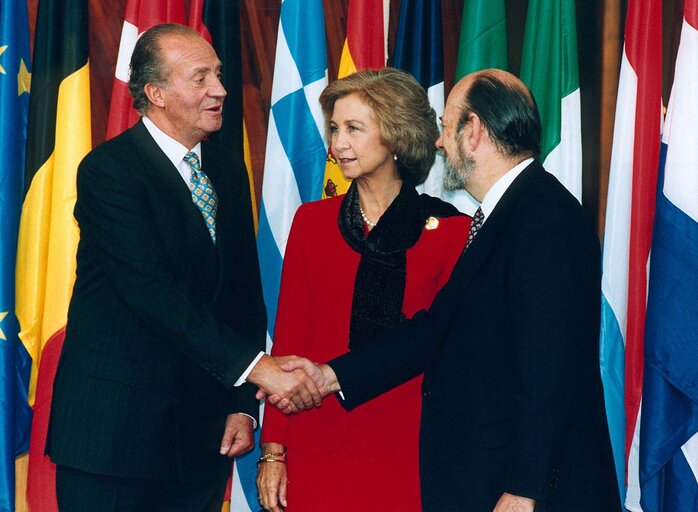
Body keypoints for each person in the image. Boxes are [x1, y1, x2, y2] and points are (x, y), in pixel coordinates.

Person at [275, 69, 620, 512]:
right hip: (488, 478)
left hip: (527, 491)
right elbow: (435, 329)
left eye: (445, 127)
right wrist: (330, 376)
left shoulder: (542, 216)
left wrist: (524, 488)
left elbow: (550, 368)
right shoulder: (504, 215)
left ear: (472, 130)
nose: (438, 143)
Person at [46, 24, 320, 512]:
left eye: (218, 74)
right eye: (200, 78)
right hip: (114, 437)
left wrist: (241, 405)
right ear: (156, 93)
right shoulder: (109, 172)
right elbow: (153, 293)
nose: (219, 89)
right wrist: (260, 371)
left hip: (201, 439)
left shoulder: (227, 168)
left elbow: (242, 295)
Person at [256, 68, 471, 512]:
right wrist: (274, 451)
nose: (338, 144)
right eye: (335, 128)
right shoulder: (311, 224)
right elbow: (290, 339)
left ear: (396, 135)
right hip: (317, 440)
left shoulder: (453, 232)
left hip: (411, 449)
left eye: (354, 128)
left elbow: (448, 353)